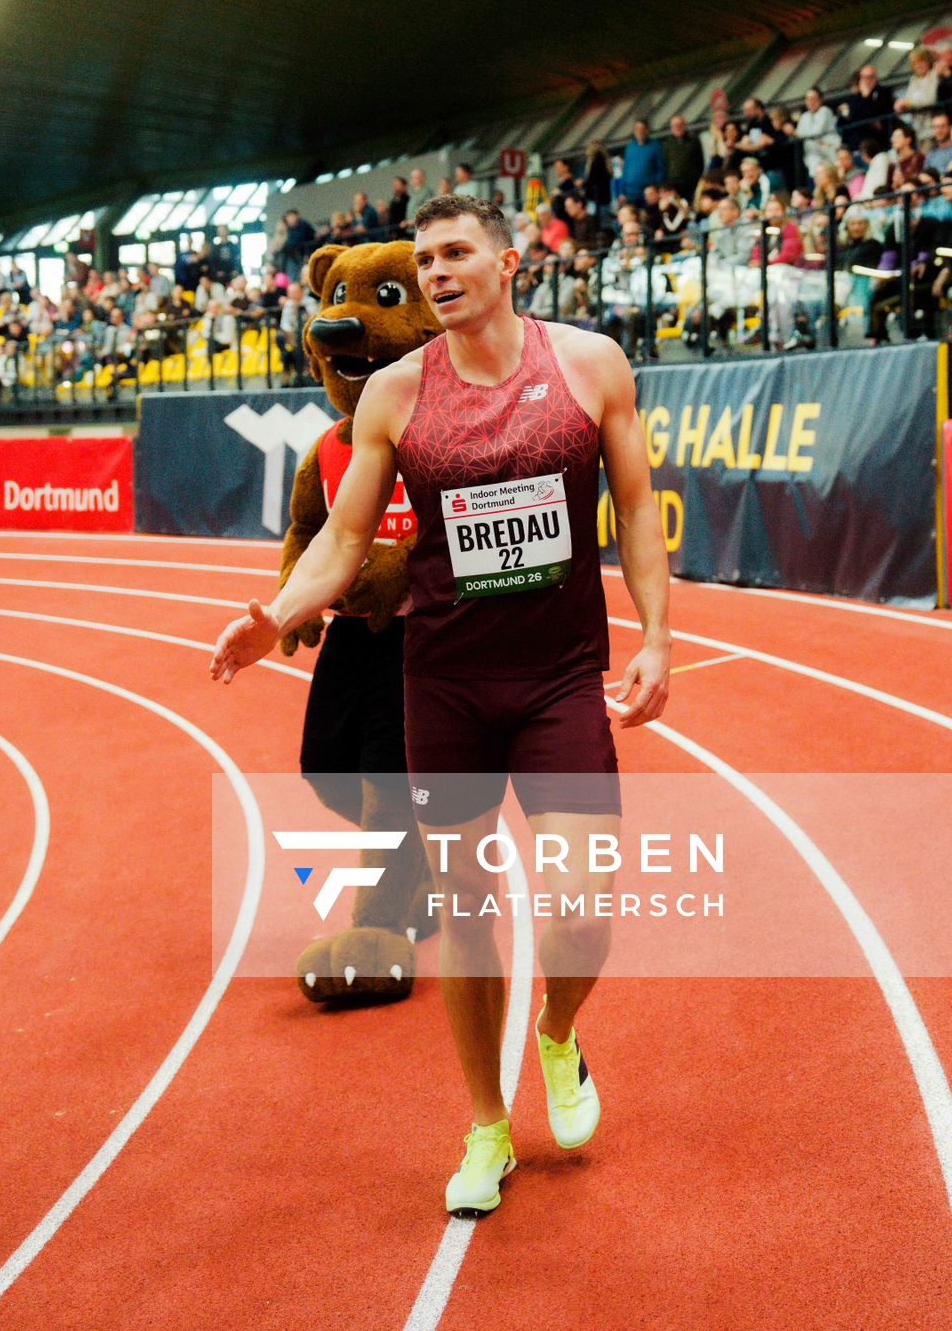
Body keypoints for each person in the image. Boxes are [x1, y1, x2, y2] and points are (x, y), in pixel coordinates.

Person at [211, 196, 670, 1218]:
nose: (437, 271)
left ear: (509, 262)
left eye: (456, 252)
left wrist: (653, 638)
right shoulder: (391, 395)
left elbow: (634, 505)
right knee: (466, 920)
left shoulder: (589, 365)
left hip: (557, 680)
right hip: (447, 688)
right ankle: (485, 1126)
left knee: (581, 910)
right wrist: (277, 610)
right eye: (424, 260)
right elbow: (340, 536)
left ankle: (555, 1037)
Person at [619, 118, 665, 206]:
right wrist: (622, 192)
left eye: (642, 129)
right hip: (630, 193)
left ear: (647, 130)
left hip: (647, 193)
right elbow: (625, 170)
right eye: (637, 129)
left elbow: (661, 169)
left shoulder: (655, 146)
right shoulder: (630, 147)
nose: (639, 131)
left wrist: (655, 187)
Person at [662, 112, 703, 201]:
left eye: (680, 124)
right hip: (674, 185)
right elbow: (665, 164)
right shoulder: (667, 143)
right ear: (671, 128)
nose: (677, 127)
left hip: (692, 183)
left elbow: (700, 162)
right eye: (675, 125)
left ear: (684, 125)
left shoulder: (694, 140)